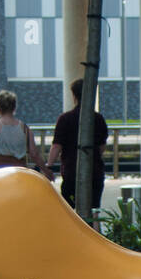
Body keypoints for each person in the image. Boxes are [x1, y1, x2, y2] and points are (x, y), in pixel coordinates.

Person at [47, 78, 109, 213]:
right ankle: (94, 232)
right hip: (95, 170)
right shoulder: (98, 119)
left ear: (74, 96)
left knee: (68, 211)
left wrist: (49, 166)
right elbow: (102, 147)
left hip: (71, 171)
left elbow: (57, 146)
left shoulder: (65, 119)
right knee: (94, 210)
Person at [0, 91, 53, 182]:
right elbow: (34, 154)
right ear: (14, 107)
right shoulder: (25, 129)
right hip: (19, 173)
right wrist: (46, 171)